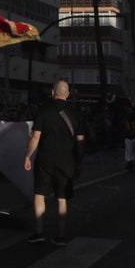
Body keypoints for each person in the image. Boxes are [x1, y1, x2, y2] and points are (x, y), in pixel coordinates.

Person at [23, 80, 84, 246]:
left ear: (52, 92)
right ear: (68, 94)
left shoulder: (43, 111)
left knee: (40, 194)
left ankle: (39, 232)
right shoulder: (75, 113)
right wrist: (79, 161)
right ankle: (61, 236)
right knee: (62, 198)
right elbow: (80, 140)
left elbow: (35, 136)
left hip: (45, 159)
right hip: (68, 161)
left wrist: (28, 156)